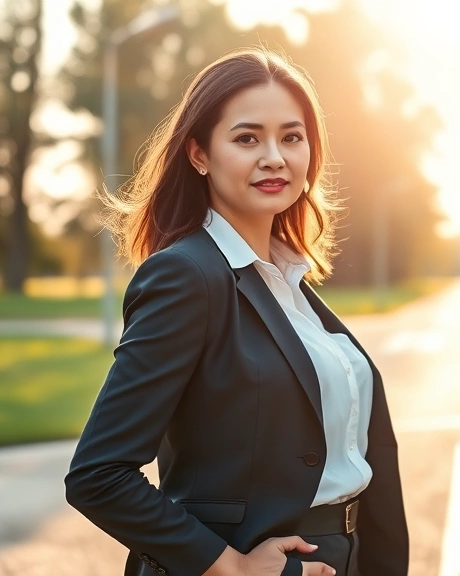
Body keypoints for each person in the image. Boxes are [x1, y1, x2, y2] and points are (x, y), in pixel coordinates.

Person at [64, 47, 409, 576]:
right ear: (199, 153)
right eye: (247, 138)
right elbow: (98, 474)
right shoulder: (186, 276)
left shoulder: (291, 283)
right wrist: (232, 567)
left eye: (292, 137)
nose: (275, 156)